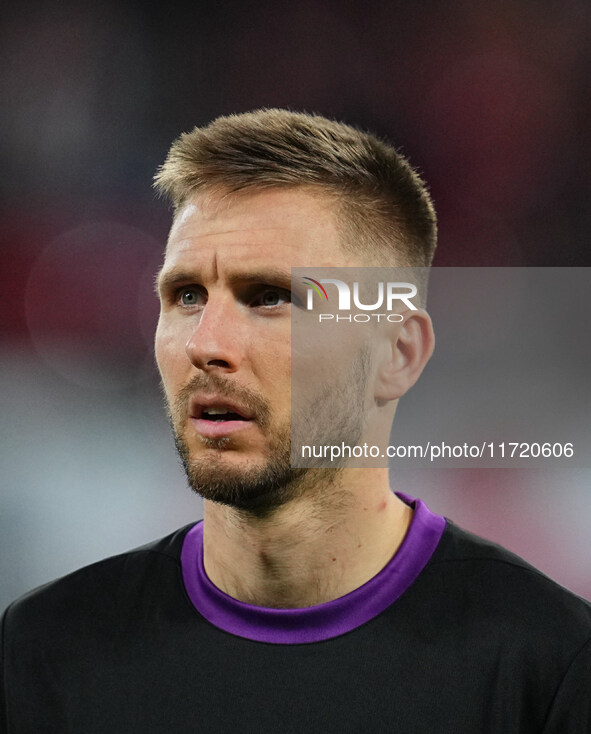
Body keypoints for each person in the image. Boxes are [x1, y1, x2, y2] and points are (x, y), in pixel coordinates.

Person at [1, 109, 590, 734]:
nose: (206, 343)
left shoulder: (548, 668)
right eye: (187, 296)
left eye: (270, 297)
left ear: (398, 354)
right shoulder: (44, 654)